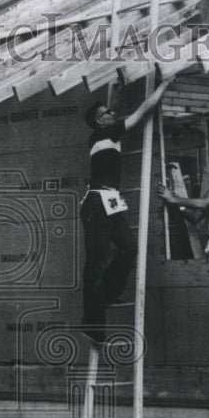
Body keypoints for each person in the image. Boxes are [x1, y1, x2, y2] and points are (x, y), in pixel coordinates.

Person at [80, 101, 141, 342]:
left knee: (128, 247)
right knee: (97, 260)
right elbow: (140, 111)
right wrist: (165, 84)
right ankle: (91, 323)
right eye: (108, 113)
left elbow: (122, 109)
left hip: (110, 200)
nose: (114, 114)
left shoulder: (107, 133)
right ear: (100, 121)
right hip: (96, 202)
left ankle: (106, 294)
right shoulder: (104, 133)